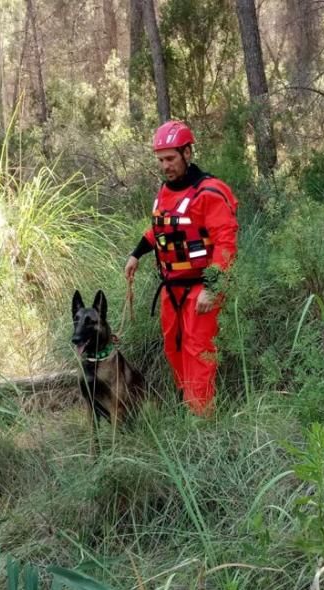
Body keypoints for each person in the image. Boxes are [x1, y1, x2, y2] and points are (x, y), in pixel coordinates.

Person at [124, 120, 239, 415]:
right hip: (171, 289)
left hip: (201, 287)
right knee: (174, 349)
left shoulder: (209, 192)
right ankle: (190, 407)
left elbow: (225, 243)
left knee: (199, 353)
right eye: (161, 160)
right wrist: (137, 254)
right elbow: (161, 229)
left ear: (187, 152)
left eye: (171, 158)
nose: (165, 166)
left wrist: (213, 288)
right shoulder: (165, 191)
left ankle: (202, 420)